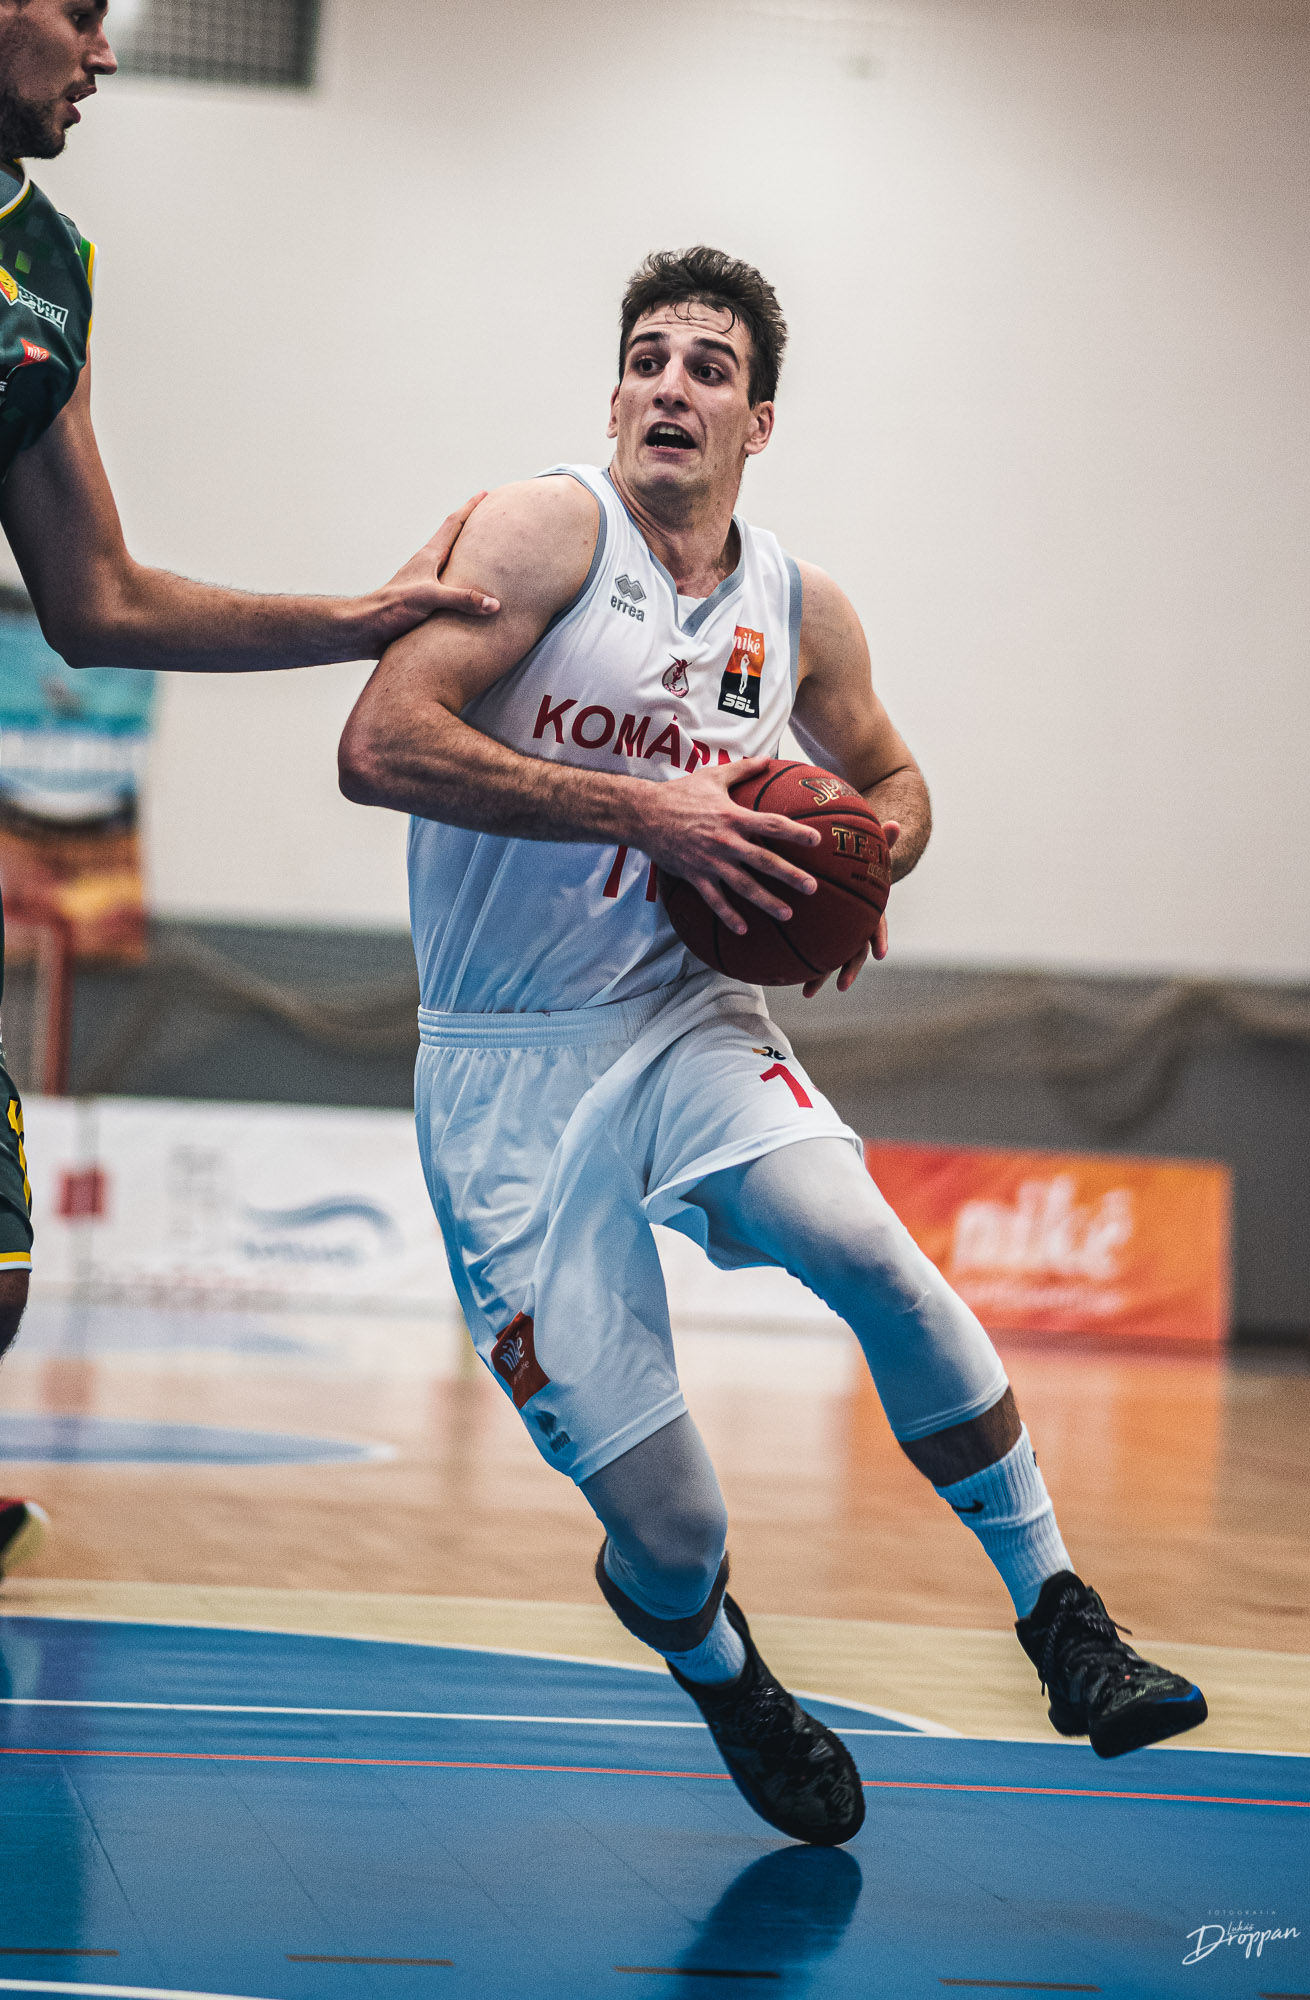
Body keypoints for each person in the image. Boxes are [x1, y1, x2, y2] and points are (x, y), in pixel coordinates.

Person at [338, 245, 1208, 1847]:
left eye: (710, 366)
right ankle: (723, 1669)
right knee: (673, 1532)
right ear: (615, 394)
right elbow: (380, 743)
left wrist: (857, 867)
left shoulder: (802, 607)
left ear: (760, 422)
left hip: (684, 1016)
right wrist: (646, 810)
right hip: (503, 1067)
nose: (672, 385)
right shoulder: (541, 531)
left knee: (869, 1248)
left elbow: (897, 782)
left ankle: (1064, 1620)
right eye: (648, 358)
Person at [0, 0, 497, 1579]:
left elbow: (98, 603)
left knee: (2, 1275)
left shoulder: (51, 268)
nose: (106, 51)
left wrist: (359, 619)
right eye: (81, 12)